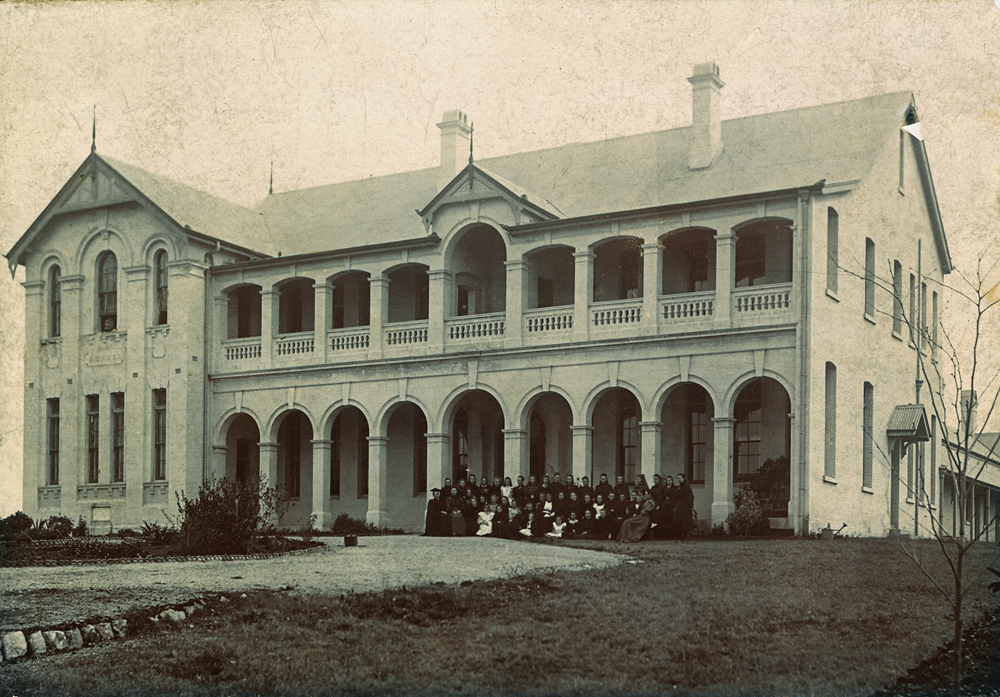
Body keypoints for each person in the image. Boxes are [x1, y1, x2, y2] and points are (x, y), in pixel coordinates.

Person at [674, 473, 695, 539]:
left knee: (684, 520)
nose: (679, 480)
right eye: (678, 478)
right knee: (678, 519)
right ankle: (680, 535)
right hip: (679, 504)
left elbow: (690, 497)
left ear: (684, 478)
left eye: (680, 478)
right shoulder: (679, 487)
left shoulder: (686, 487)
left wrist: (691, 506)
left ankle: (685, 535)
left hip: (685, 505)